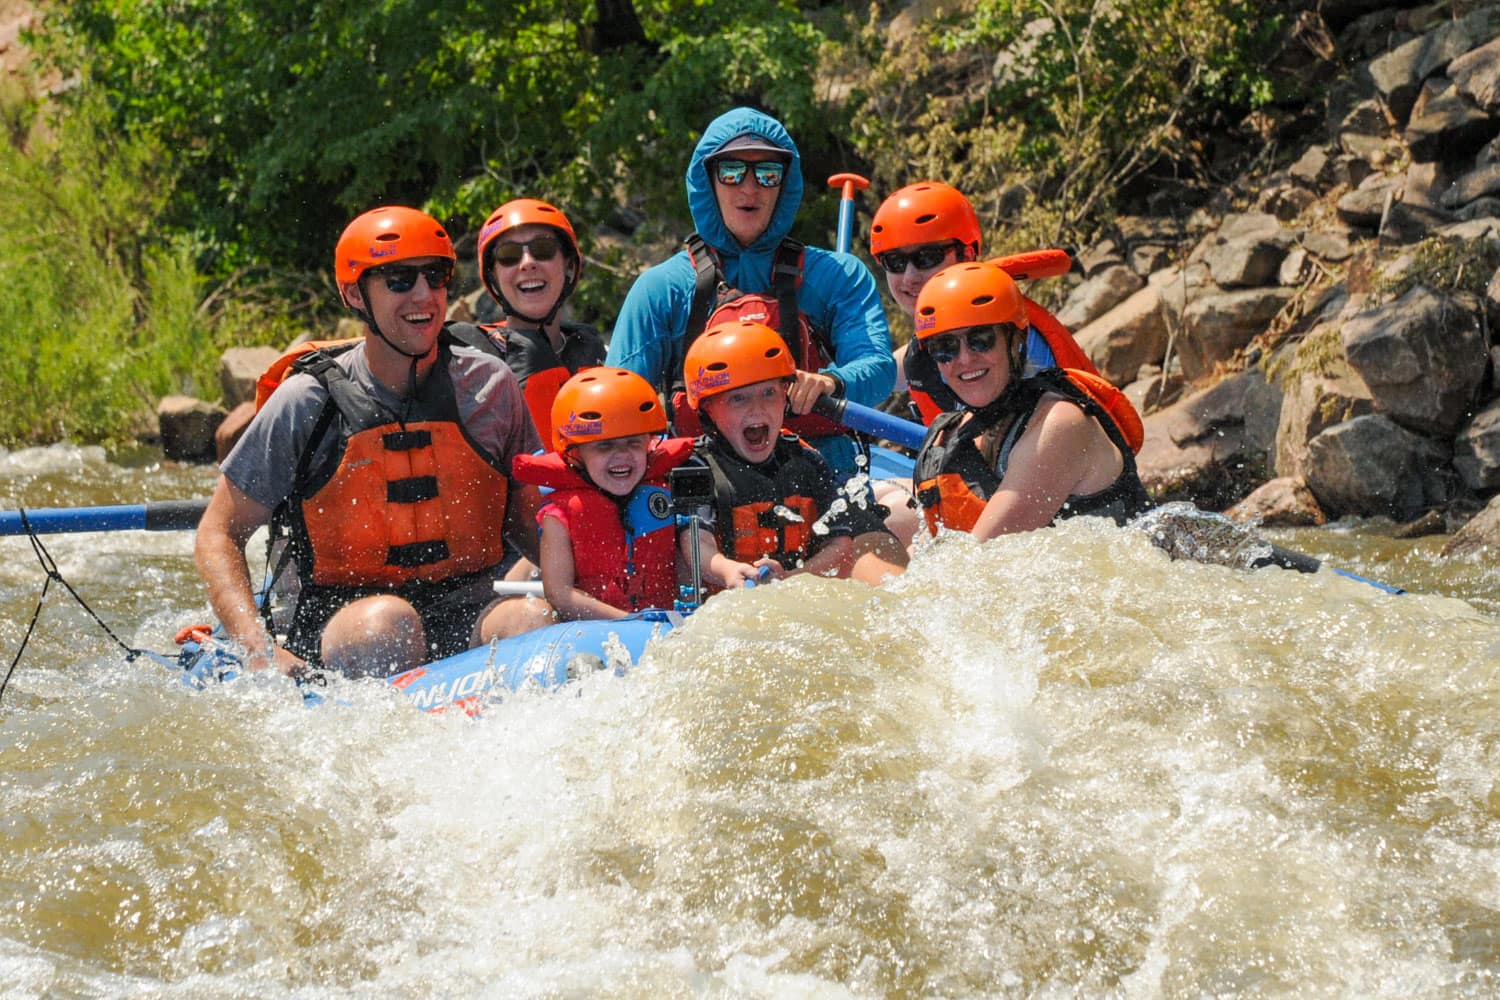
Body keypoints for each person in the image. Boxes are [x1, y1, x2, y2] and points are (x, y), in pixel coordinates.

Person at [194, 206, 552, 679]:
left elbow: (529, 526)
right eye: (399, 279)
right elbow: (218, 533)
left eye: (436, 275)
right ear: (353, 293)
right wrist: (257, 648)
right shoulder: (306, 402)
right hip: (347, 619)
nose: (423, 295)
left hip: (472, 605)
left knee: (532, 618)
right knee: (388, 625)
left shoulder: (490, 386)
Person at [606, 106, 895, 482]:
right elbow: (618, 406)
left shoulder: (837, 276)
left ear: (784, 185)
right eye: (731, 171)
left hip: (820, 476)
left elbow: (878, 367)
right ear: (708, 180)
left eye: (767, 173)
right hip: (702, 484)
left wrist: (831, 382)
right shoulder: (661, 289)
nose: (749, 187)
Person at [910, 261, 1149, 542]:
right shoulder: (956, 434)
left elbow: (983, 558)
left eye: (981, 340)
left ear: (1016, 341)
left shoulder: (1059, 424)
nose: (964, 359)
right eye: (945, 348)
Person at [677, 319, 907, 589]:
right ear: (708, 409)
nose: (757, 408)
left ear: (785, 397)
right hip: (727, 597)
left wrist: (790, 581)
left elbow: (840, 546)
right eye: (738, 398)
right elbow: (696, 544)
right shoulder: (696, 467)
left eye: (769, 393)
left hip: (793, 585)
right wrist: (728, 571)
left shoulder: (807, 461)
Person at [512, 368, 694, 620]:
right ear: (574, 453)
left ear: (649, 445)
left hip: (664, 623)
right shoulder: (558, 515)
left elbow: (687, 575)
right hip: (595, 632)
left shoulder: (665, 496)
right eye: (604, 445)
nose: (621, 455)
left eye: (633, 443)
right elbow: (560, 594)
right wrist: (627, 621)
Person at [468, 198, 607, 448]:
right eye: (509, 255)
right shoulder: (469, 363)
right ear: (493, 276)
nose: (527, 263)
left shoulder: (602, 355)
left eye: (543, 250)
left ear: (569, 265)